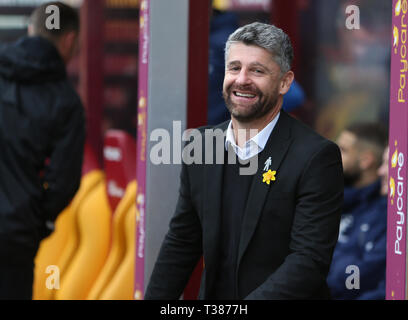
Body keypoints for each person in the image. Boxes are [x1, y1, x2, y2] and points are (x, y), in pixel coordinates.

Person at [145, 22, 343, 300]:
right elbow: (182, 241)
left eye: (257, 70)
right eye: (234, 68)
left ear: (285, 82)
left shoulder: (317, 157)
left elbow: (308, 261)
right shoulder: (200, 144)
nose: (241, 79)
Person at [0, 2, 85, 299]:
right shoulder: (66, 101)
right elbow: (63, 181)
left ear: (30, 30)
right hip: (13, 238)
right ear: (70, 40)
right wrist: (39, 221)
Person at [327, 123, 387, 299]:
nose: (333, 156)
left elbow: (365, 275)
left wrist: (317, 283)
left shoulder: (383, 212)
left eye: (343, 150)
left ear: (366, 160)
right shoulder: (327, 198)